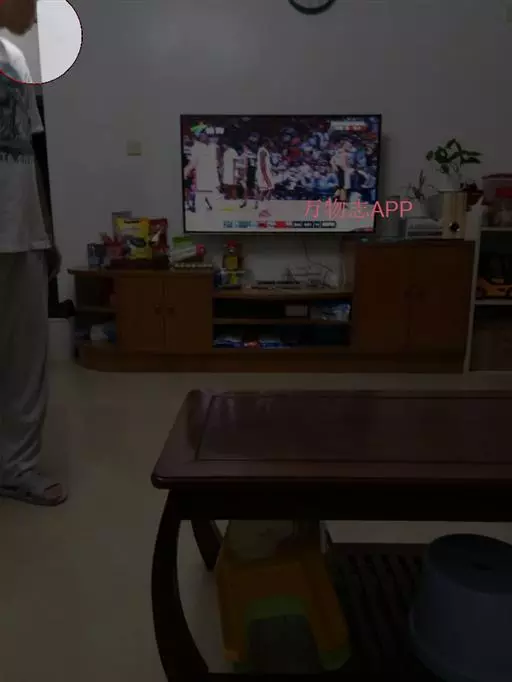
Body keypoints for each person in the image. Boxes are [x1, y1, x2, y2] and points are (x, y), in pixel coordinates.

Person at [0, 0, 67, 505]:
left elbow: (32, 153)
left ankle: (16, 470)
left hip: (24, 232)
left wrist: (48, 231)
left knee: (27, 364)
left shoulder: (18, 61)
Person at [183, 130, 219, 215]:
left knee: (215, 209)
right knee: (200, 207)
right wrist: (186, 171)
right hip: (202, 180)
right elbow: (193, 162)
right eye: (201, 135)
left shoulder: (213, 147)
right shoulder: (196, 147)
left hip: (213, 181)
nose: (202, 136)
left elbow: (216, 162)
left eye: (204, 134)